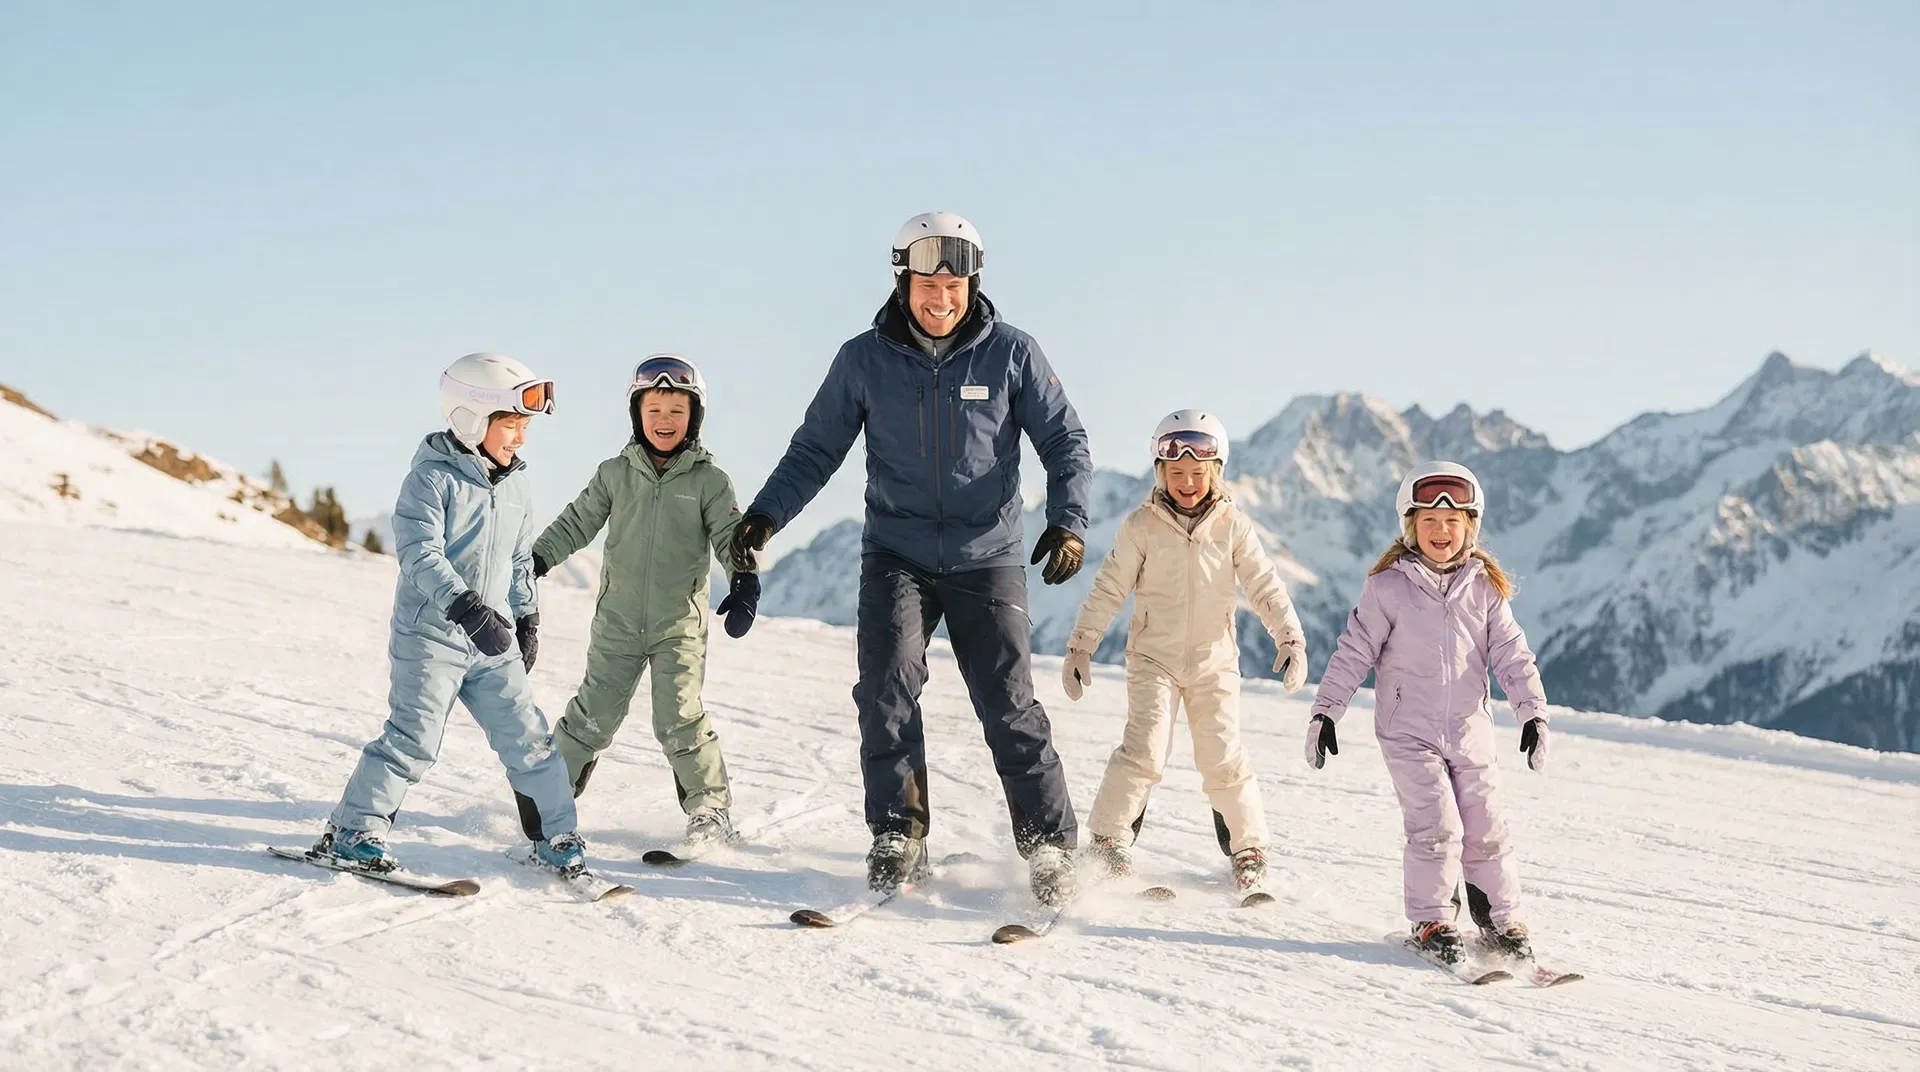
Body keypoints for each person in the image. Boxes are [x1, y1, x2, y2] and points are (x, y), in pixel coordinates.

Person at [732, 212, 1093, 905]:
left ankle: (1049, 845)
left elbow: (1065, 439)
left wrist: (1069, 521)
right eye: (928, 281)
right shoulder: (862, 360)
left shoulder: (1011, 353)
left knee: (1008, 701)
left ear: (972, 284)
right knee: (886, 688)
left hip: (987, 554)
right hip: (896, 553)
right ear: (904, 283)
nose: (941, 294)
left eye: (954, 281)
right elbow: (815, 449)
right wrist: (767, 514)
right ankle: (898, 832)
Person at [316, 353, 589, 877]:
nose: (521, 439)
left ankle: (556, 837)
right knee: (412, 739)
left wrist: (527, 617)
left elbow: (516, 559)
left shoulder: (517, 484)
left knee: (530, 740)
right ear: (471, 418)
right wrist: (465, 608)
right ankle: (352, 831)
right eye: (511, 425)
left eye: (524, 427)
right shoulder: (430, 480)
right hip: (432, 636)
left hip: (494, 640)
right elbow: (420, 554)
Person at [1304, 461, 1550, 964]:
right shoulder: (1387, 588)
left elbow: (1512, 654)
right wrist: (1326, 711)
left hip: (1470, 730)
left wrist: (1533, 713)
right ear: (1410, 527)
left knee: (1487, 827)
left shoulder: (1485, 589)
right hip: (1407, 732)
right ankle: (1433, 919)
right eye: (1430, 521)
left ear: (1470, 529)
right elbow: (1353, 651)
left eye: (1453, 522)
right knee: (1437, 825)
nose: (1442, 531)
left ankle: (1501, 921)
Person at [1061, 410, 1308, 899]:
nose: (1187, 482)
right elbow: (1109, 586)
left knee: (1223, 754)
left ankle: (1248, 849)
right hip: (1153, 658)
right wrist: (1080, 645)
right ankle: (1110, 839)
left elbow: (1264, 585)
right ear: (1160, 473)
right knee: (1145, 747)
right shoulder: (1141, 526)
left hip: (1215, 660)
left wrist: (1290, 638)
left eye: (1198, 473)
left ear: (1216, 473)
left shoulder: (1233, 526)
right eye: (1176, 473)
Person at [531, 354, 757, 849]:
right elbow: (576, 522)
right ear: (637, 415)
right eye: (654, 410)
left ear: (693, 418)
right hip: (617, 619)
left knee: (678, 715)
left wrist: (743, 579)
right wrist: (538, 558)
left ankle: (709, 810)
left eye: (677, 411)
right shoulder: (616, 474)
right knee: (593, 712)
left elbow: (728, 535)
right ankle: (548, 801)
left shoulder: (708, 481)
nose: (664, 422)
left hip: (679, 623)